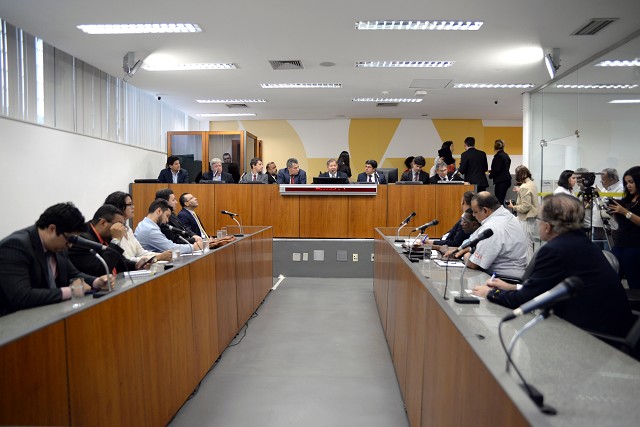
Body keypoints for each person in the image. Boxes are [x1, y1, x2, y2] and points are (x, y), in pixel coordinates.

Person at [473, 194, 633, 337]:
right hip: (611, 327)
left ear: (547, 226)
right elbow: (546, 287)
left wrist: (490, 293)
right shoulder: (582, 243)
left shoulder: (555, 250)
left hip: (592, 337)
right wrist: (512, 287)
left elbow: (524, 300)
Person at [0, 202, 112, 316]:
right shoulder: (16, 245)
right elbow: (21, 296)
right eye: (69, 239)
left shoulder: (58, 244)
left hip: (49, 315)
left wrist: (96, 282)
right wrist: (71, 291)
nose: (70, 245)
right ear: (52, 229)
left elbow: (73, 274)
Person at [450, 192, 528, 278]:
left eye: (475, 212)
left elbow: (474, 264)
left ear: (485, 210)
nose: (473, 215)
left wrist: (465, 255)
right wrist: (467, 249)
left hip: (503, 278)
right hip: (515, 272)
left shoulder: (492, 227)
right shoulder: (506, 215)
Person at [68, 204, 147, 276]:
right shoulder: (82, 240)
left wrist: (136, 265)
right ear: (103, 223)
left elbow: (119, 263)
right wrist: (116, 240)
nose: (122, 229)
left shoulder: (106, 237)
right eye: (119, 225)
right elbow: (101, 270)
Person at [103, 191, 172, 263]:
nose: (133, 207)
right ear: (119, 206)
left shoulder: (128, 229)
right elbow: (126, 260)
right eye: (130, 204)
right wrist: (157, 257)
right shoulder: (114, 231)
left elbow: (141, 253)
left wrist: (162, 255)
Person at [608, 166, 640, 289]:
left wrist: (625, 212)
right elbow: (623, 222)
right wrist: (615, 212)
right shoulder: (627, 199)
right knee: (612, 276)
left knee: (634, 280)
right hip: (620, 242)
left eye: (631, 182)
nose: (628, 186)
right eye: (626, 183)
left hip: (635, 245)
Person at [134, 199, 200, 254]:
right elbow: (171, 248)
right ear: (159, 211)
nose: (167, 220)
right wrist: (194, 247)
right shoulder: (150, 229)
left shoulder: (144, 224)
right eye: (167, 216)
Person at [507, 165, 538, 262]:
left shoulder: (524, 187)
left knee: (526, 246)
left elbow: (525, 207)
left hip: (525, 219)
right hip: (531, 218)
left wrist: (513, 207)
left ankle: (528, 267)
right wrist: (520, 190)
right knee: (529, 243)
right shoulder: (532, 184)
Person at [489, 139, 512, 205]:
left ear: (494, 147)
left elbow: (497, 170)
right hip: (507, 180)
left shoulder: (498, 156)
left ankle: (500, 211)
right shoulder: (506, 155)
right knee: (501, 199)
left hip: (501, 181)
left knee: (499, 201)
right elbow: (504, 167)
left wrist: (491, 175)